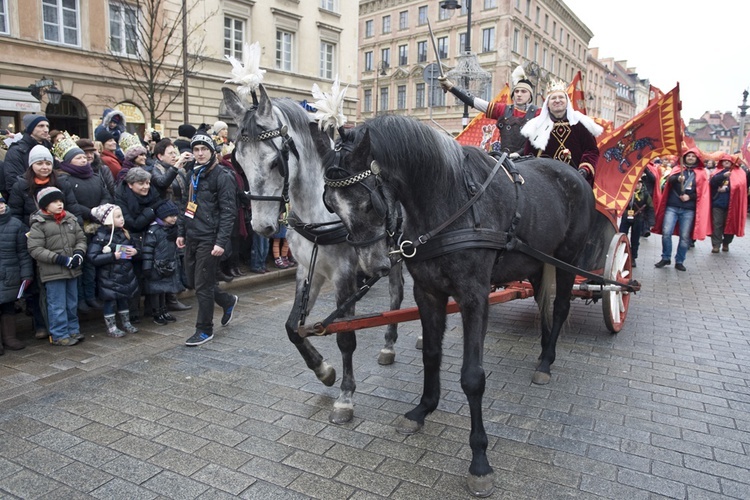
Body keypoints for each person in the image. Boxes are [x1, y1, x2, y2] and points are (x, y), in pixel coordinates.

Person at [176, 128, 239, 346]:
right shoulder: (192, 172)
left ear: (212, 151)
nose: (200, 153)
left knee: (203, 285)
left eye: (204, 149)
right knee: (195, 281)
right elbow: (186, 205)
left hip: (210, 238)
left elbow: (229, 211)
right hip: (192, 235)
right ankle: (227, 300)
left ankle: (204, 329)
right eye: (196, 149)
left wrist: (221, 242)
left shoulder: (222, 175)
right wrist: (181, 232)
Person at [54, 133, 113, 312]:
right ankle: (80, 299)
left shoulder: (94, 176)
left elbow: (106, 195)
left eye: (83, 157)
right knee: (81, 264)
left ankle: (91, 296)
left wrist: (100, 210)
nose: (83, 160)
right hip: (78, 226)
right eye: (78, 157)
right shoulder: (64, 180)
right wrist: (92, 212)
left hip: (98, 224)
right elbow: (70, 204)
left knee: (92, 264)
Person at [26, 187, 87, 346]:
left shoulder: (70, 219)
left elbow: (81, 238)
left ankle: (73, 329)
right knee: (57, 304)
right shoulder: (39, 224)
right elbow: (35, 249)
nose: (59, 204)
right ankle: (59, 334)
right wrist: (60, 259)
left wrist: (79, 253)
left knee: (72, 302)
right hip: (53, 272)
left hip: (72, 270)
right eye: (54, 202)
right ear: (45, 205)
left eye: (60, 201)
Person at [520, 78, 603, 186]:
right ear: (548, 104)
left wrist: (584, 170)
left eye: (561, 97)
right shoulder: (537, 126)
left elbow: (591, 150)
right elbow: (529, 155)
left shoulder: (580, 124)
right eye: (553, 98)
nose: (557, 100)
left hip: (575, 181)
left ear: (567, 101)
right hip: (546, 183)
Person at [439, 65, 539, 154]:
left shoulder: (538, 113)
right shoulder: (503, 110)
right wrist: (451, 87)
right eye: (516, 91)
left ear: (530, 96)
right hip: (505, 159)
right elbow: (474, 101)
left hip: (528, 162)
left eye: (523, 91)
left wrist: (519, 154)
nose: (519, 94)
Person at [653, 148, 710, 272]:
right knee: (666, 232)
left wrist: (690, 196)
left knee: (685, 237)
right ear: (684, 158)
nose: (690, 158)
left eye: (693, 156)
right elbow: (668, 183)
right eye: (688, 156)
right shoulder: (677, 170)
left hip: (688, 209)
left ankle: (679, 260)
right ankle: (666, 257)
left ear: (697, 159)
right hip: (672, 206)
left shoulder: (701, 173)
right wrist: (677, 179)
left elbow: (702, 192)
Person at [87, 204, 139, 337]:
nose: (122, 219)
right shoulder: (101, 236)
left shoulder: (124, 233)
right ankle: (111, 326)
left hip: (125, 273)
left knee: (124, 299)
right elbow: (93, 257)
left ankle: (126, 323)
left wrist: (135, 251)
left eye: (121, 216)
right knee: (110, 301)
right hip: (108, 276)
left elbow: (135, 246)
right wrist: (112, 256)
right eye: (118, 217)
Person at [0, 193, 34, 353]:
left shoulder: (16, 224)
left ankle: (9, 337)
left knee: (8, 306)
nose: (0, 206)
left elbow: (23, 252)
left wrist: (26, 274)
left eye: (1, 203)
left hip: (9, 273)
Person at [142, 201, 183, 325]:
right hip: (156, 266)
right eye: (171, 216)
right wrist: (147, 267)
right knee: (156, 291)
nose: (174, 219)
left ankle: (164, 311)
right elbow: (148, 250)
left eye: (175, 216)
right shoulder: (153, 231)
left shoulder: (171, 230)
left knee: (164, 290)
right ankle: (156, 313)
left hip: (168, 265)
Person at [1, 114, 52, 199]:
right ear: (30, 128)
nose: (46, 130)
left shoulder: (50, 148)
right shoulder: (16, 150)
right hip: (29, 201)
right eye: (41, 126)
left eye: (47, 126)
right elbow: (13, 182)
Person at [708, 154, 749, 253]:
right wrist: (723, 176)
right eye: (724, 160)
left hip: (733, 205)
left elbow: (741, 187)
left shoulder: (739, 173)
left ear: (731, 162)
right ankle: (716, 245)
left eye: (728, 161)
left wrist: (727, 188)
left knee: (729, 224)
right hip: (717, 204)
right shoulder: (716, 172)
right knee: (717, 224)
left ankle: (726, 242)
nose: (726, 162)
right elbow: (712, 183)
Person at [618, 177, 652, 268]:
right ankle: (621, 253)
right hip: (626, 216)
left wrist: (650, 221)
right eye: (636, 183)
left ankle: (633, 257)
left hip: (638, 218)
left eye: (639, 183)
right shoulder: (626, 192)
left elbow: (650, 207)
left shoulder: (645, 194)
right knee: (622, 235)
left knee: (635, 239)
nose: (637, 185)